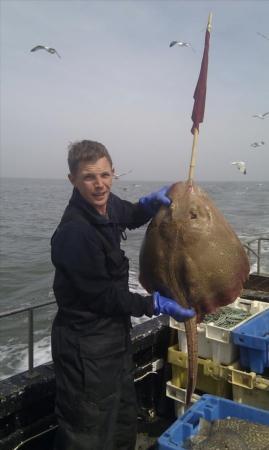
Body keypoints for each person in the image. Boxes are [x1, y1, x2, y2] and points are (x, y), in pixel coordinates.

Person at [50, 140, 195, 450]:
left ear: (113, 172)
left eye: (105, 175)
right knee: (88, 429)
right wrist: (154, 303)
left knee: (121, 417)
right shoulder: (75, 232)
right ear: (72, 180)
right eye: (89, 177)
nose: (99, 184)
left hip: (114, 336)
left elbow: (128, 214)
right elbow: (103, 297)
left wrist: (148, 205)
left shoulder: (106, 203)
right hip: (84, 344)